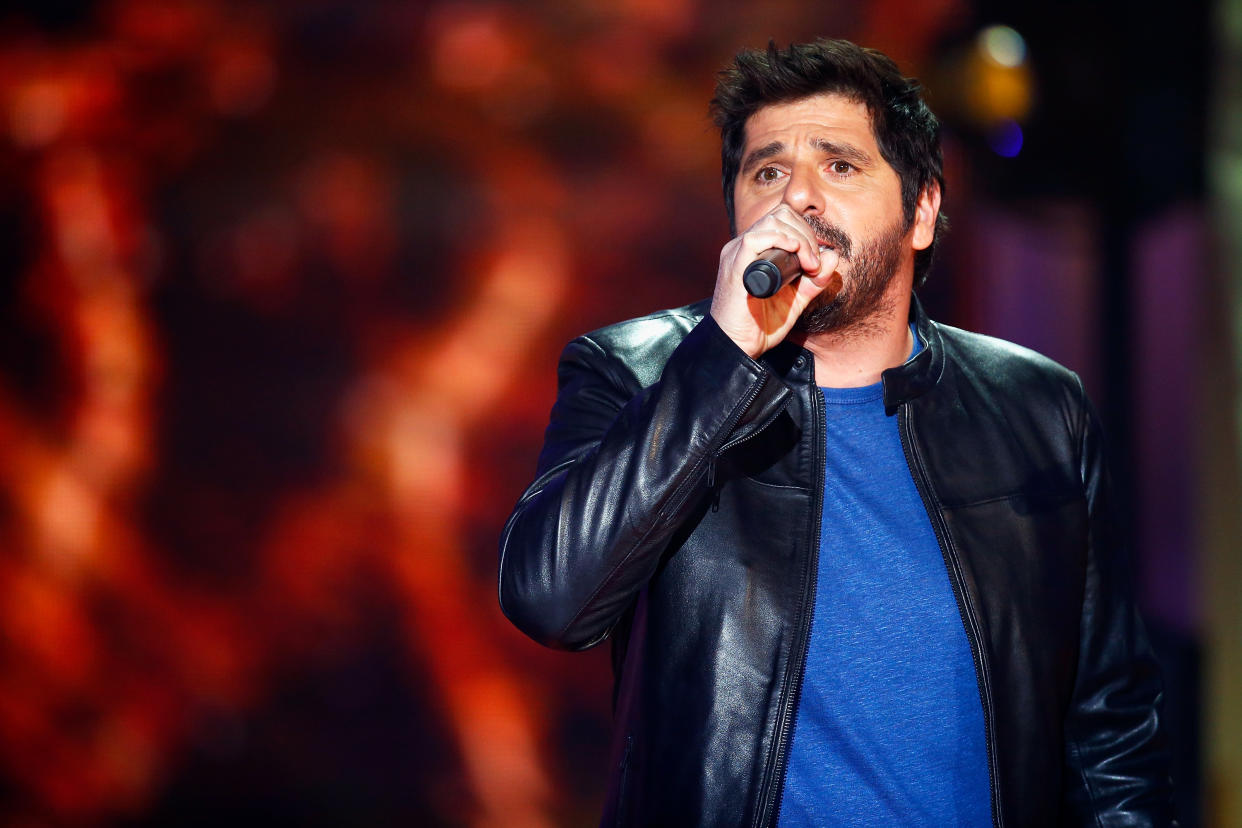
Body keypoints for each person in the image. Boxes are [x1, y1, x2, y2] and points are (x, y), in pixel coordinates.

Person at [498, 38, 1175, 826]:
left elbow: (1111, 732)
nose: (801, 199)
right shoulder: (636, 373)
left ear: (921, 212)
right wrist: (719, 360)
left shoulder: (1038, 408)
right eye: (768, 172)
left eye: (841, 166)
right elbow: (552, 601)